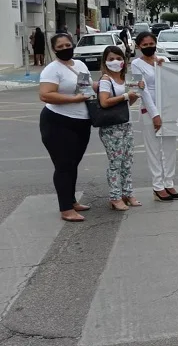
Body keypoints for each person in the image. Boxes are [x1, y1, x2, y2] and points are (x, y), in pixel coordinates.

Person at [38, 33, 93, 222]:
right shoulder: (52, 70)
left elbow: (85, 88)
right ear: (54, 49)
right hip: (57, 121)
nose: (65, 49)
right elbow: (45, 95)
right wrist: (73, 99)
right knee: (63, 165)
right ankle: (66, 208)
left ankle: (72, 200)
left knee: (73, 163)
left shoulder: (80, 65)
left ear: (73, 45)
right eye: (60, 47)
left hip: (81, 121)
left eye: (67, 45)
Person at [131, 32, 178, 202]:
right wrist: (155, 115)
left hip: (168, 109)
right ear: (139, 46)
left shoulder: (164, 60)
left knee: (170, 148)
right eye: (145, 45)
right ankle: (158, 186)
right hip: (149, 111)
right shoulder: (136, 64)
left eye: (151, 44)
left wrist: (163, 67)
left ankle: (169, 182)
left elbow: (174, 81)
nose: (148, 47)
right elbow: (142, 91)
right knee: (153, 149)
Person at [98, 46, 142, 211]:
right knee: (115, 163)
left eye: (118, 58)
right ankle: (115, 197)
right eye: (111, 59)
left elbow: (128, 103)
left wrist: (134, 93)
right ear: (105, 62)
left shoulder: (124, 79)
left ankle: (127, 193)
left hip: (126, 123)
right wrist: (125, 96)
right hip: (111, 127)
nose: (115, 62)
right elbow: (104, 102)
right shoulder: (105, 80)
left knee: (127, 161)